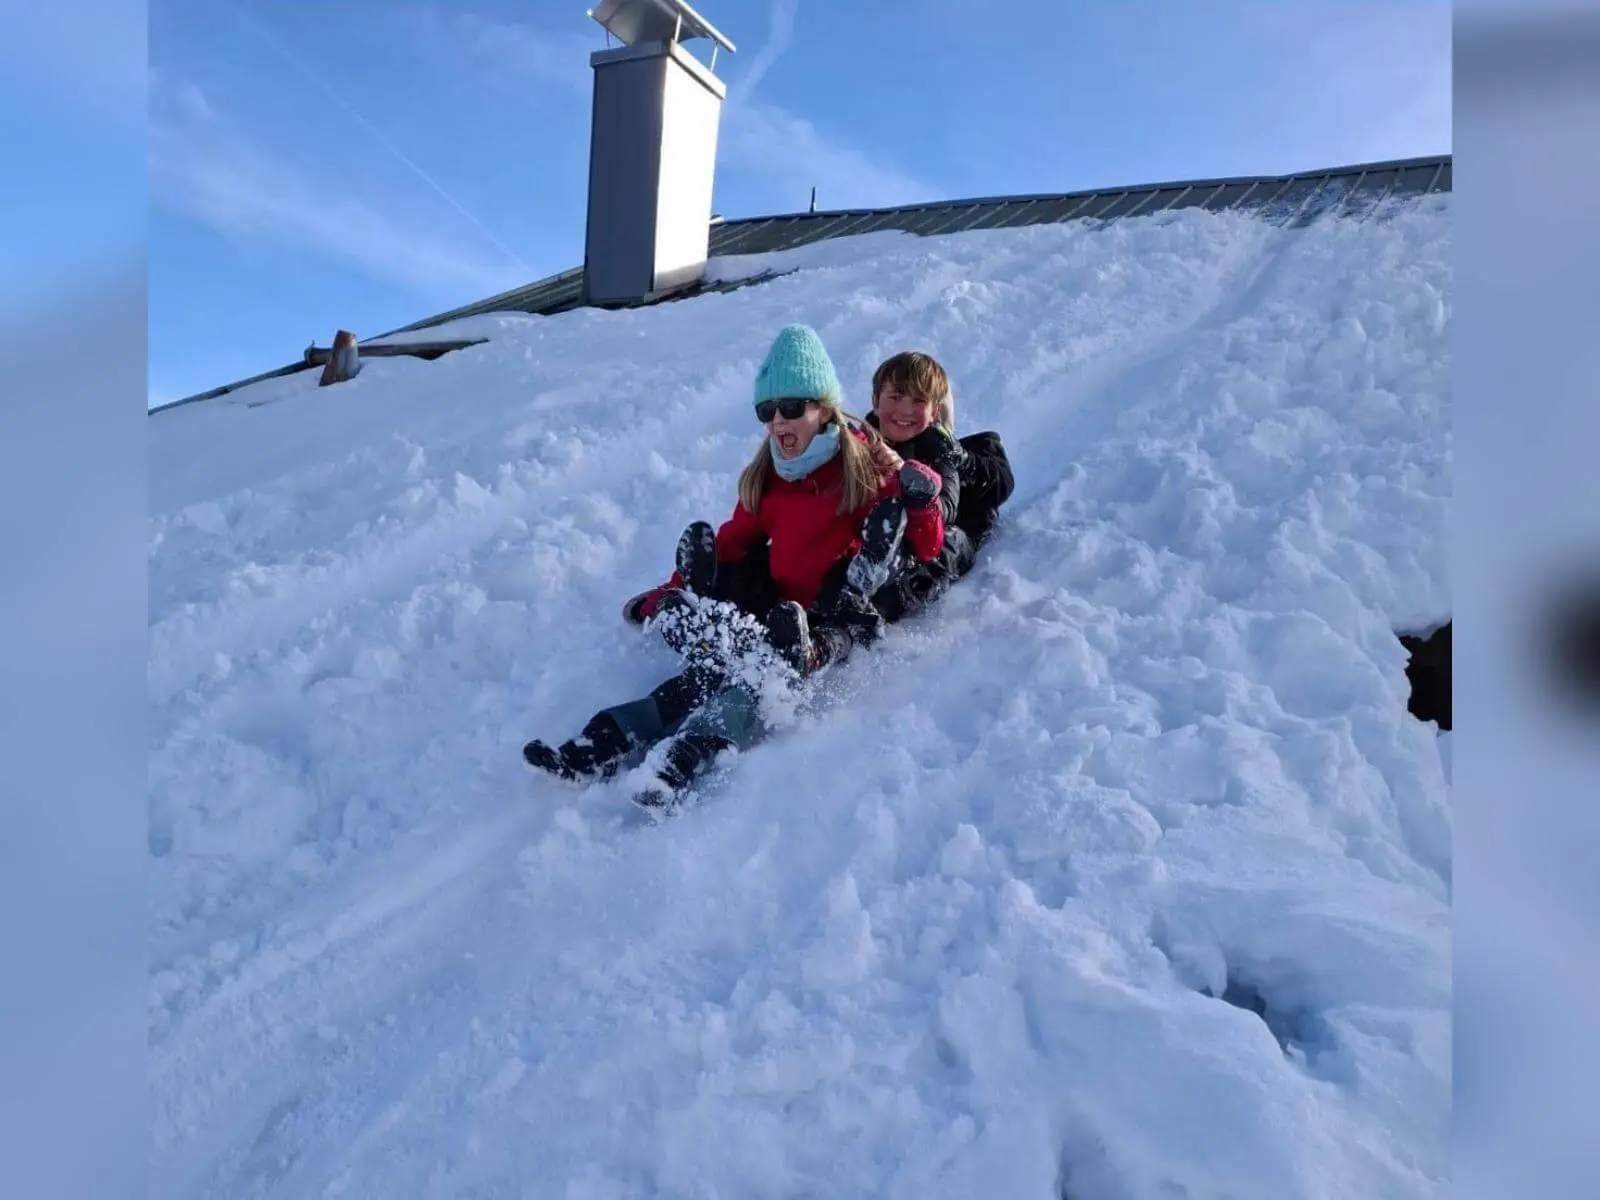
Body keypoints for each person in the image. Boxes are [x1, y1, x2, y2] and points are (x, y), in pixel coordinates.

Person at [523, 324, 946, 805]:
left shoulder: (865, 463)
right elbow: (732, 541)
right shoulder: (770, 475)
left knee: (753, 684)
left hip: (833, 612)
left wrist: (923, 499)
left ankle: (683, 759)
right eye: (767, 412)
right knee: (705, 673)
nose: (778, 423)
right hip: (774, 611)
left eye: (791, 408)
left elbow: (926, 547)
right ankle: (596, 744)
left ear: (824, 408)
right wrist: (670, 590)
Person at [858, 350, 1015, 624]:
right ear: (875, 401)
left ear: (935, 413)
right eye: (895, 397)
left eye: (918, 401)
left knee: (951, 543)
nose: (905, 410)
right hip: (872, 538)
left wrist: (958, 461)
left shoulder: (939, 451)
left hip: (928, 541)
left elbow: (950, 506)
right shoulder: (859, 444)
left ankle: (896, 597)